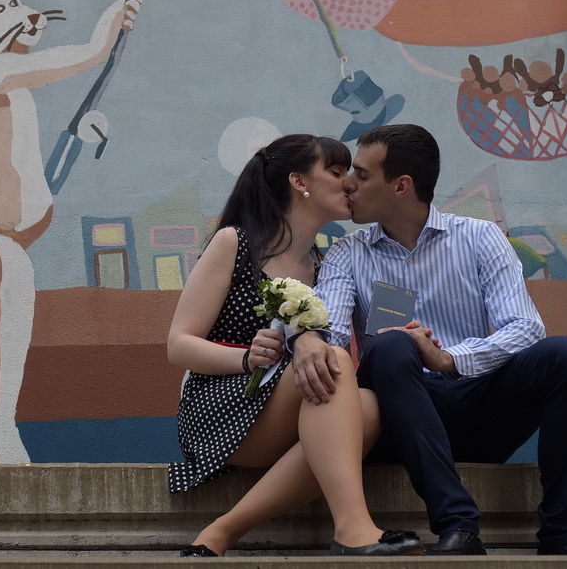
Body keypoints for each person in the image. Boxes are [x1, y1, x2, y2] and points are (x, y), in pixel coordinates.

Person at [293, 123, 567, 556]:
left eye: (361, 175)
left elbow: (526, 327)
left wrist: (448, 359)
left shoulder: (479, 237)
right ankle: (458, 525)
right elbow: (334, 330)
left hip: (479, 405)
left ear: (401, 185)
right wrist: (304, 337)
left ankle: (562, 533)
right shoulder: (349, 252)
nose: (348, 184)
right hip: (401, 420)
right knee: (390, 345)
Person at [166, 134, 423, 558]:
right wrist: (247, 358)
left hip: (301, 406)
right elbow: (179, 345)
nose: (349, 183)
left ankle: (223, 530)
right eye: (337, 172)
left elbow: (373, 337)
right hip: (223, 406)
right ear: (299, 182)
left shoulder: (328, 262)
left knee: (373, 408)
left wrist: (410, 334)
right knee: (334, 360)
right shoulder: (237, 242)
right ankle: (354, 528)